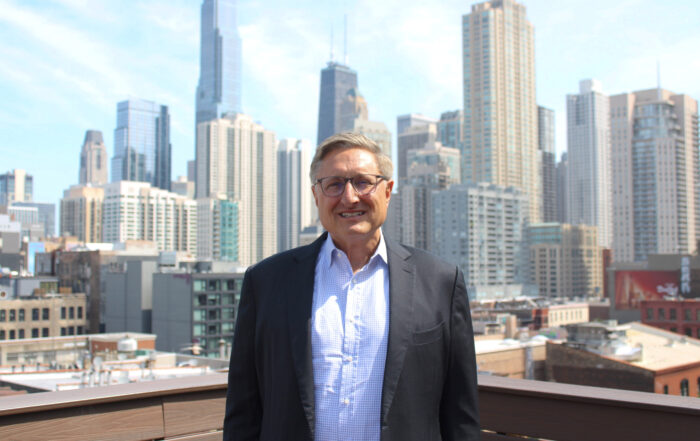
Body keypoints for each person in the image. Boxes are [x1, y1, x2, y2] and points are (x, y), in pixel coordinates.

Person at [224, 132, 480, 441]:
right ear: (316, 196)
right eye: (334, 184)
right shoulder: (265, 282)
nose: (349, 197)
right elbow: (244, 408)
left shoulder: (441, 281)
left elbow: (460, 413)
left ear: (387, 191)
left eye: (362, 182)